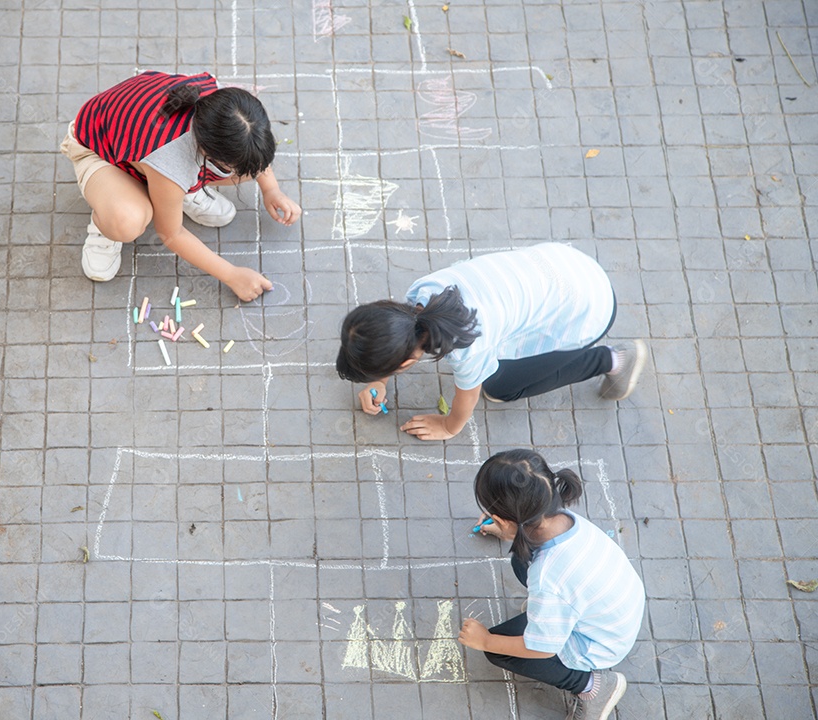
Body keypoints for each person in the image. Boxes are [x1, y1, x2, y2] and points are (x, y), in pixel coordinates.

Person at [335, 242, 647, 441]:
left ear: (404, 363)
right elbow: (397, 334)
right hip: (567, 264)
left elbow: (466, 398)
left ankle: (614, 360)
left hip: (588, 310)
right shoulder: (423, 293)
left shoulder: (467, 349)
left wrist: (448, 426)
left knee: (498, 387)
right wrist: (382, 380)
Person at [59, 71, 302, 301]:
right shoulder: (170, 157)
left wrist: (271, 190)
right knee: (127, 221)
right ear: (207, 150)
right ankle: (107, 218)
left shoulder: (229, 108)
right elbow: (171, 233)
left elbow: (252, 155)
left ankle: (181, 191)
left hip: (149, 155)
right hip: (97, 149)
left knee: (244, 168)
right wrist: (231, 274)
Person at [458, 449, 645, 720]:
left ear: (505, 519)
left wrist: (485, 640)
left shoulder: (549, 577)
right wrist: (511, 531)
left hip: (601, 642)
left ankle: (593, 687)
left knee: (500, 652)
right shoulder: (564, 520)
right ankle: (549, 619)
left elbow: (540, 648)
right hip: (615, 609)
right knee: (520, 560)